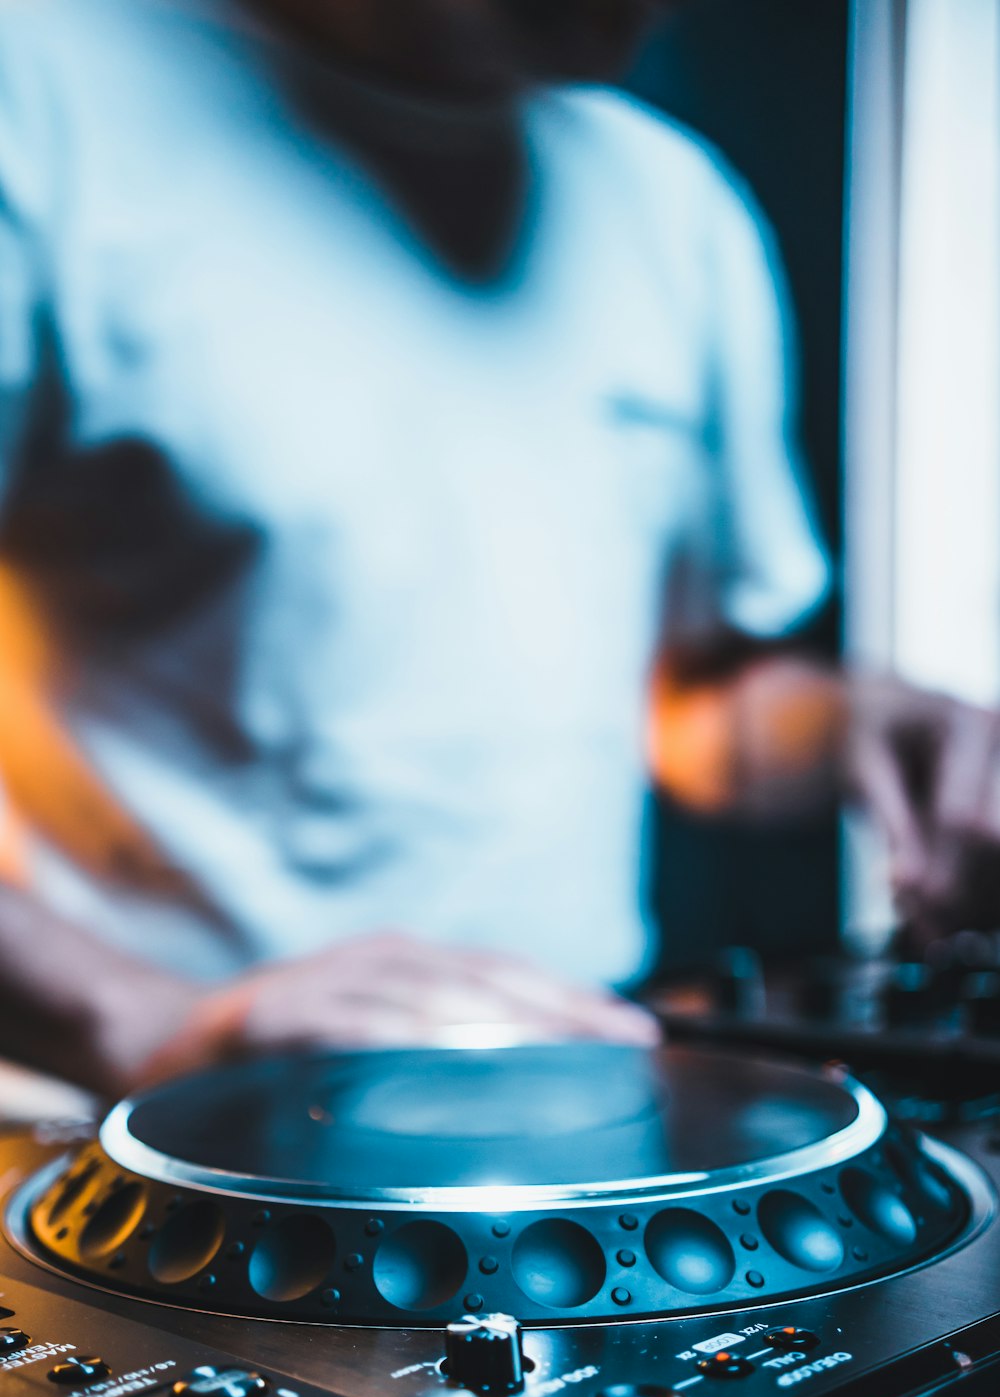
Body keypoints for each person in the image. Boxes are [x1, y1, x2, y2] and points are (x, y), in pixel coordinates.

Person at [0, 0, 995, 1098]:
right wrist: (147, 1024)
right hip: (137, 1137)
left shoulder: (670, 202)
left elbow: (695, 706)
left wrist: (863, 723)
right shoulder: (39, 95)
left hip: (572, 1088)